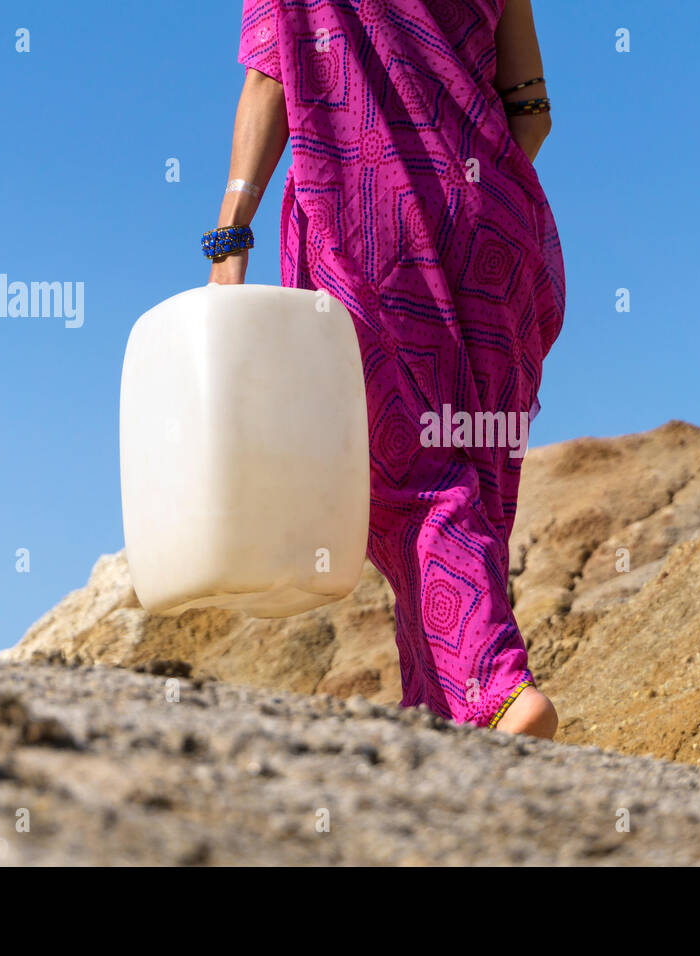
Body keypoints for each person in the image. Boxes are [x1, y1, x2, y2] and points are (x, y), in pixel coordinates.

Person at [207, 0, 565, 738]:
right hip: (496, 224)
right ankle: (442, 712)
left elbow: (271, 80)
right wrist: (459, 184)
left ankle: (497, 691)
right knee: (475, 474)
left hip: (369, 220)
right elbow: (531, 108)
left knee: (404, 482)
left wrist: (231, 231)